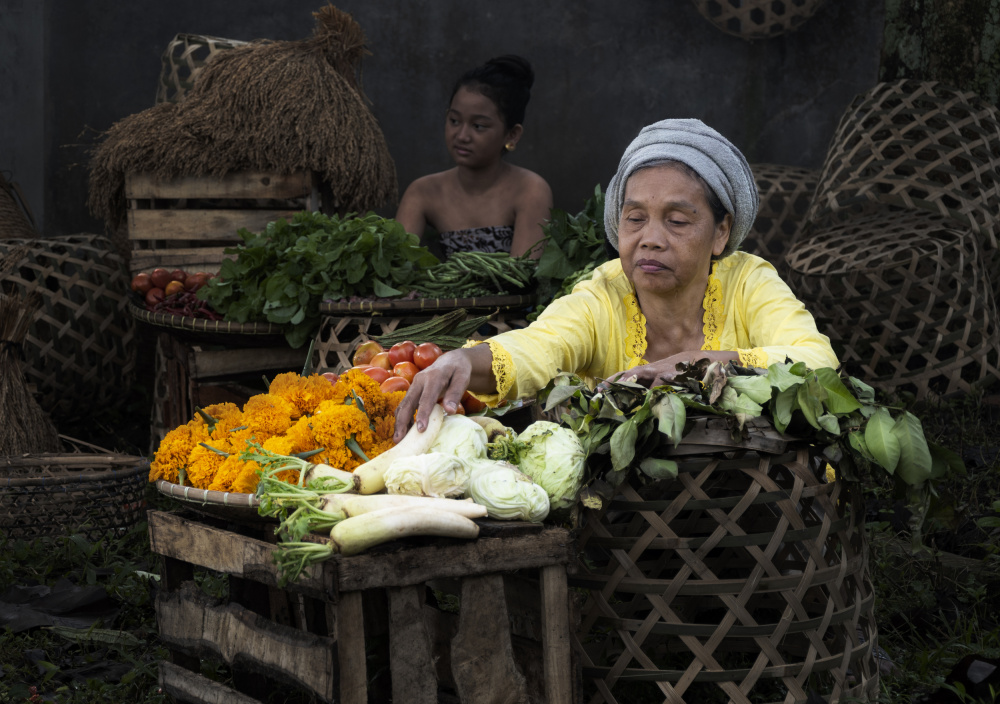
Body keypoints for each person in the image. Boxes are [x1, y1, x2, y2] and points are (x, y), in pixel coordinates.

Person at [394, 118, 838, 441]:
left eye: (678, 221)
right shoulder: (603, 294)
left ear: (721, 232)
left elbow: (816, 361)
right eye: (635, 218)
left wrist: (693, 363)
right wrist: (459, 362)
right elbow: (539, 345)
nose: (651, 240)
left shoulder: (749, 283)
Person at [394, 55, 553, 258]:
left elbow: (523, 277)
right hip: (444, 290)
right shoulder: (423, 192)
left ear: (512, 134)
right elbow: (397, 269)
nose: (461, 136)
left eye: (478, 126)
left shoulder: (530, 190)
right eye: (454, 120)